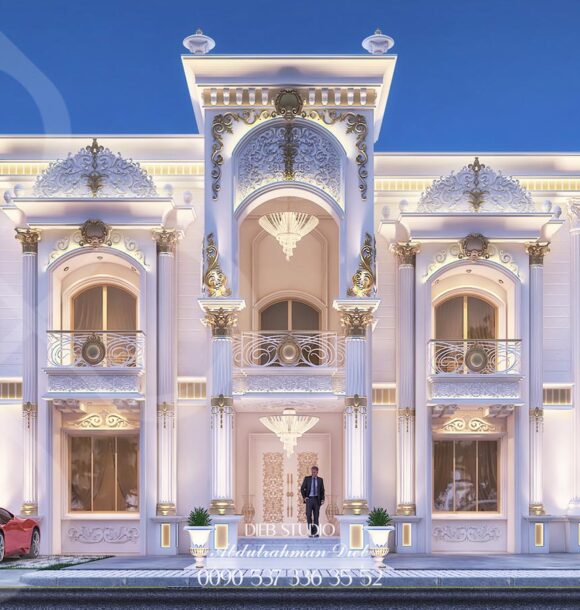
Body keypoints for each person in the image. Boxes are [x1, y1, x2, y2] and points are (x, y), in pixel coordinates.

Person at [300, 465, 325, 537]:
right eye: (312, 472)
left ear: (317, 472)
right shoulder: (307, 479)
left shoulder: (320, 480)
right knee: (308, 515)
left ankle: (316, 532)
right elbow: (302, 488)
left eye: (314, 472)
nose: (313, 473)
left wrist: (322, 499)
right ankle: (310, 532)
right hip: (309, 499)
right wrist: (305, 497)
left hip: (317, 500)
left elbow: (322, 490)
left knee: (316, 516)